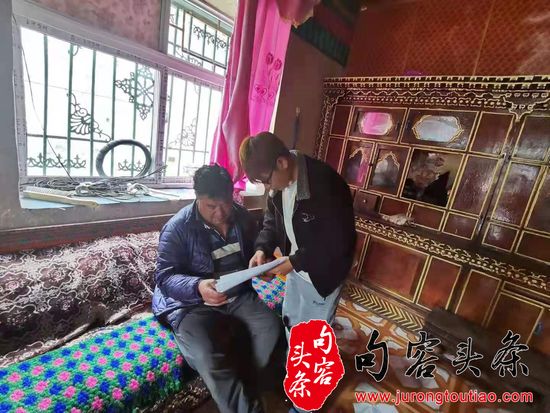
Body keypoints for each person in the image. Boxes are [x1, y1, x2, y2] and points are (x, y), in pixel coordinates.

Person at [152, 164, 281, 413]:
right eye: (211, 206)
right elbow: (164, 278)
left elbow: (256, 248)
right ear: (197, 198)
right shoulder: (177, 227)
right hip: (192, 304)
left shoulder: (242, 217)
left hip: (237, 295)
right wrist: (198, 286)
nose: (220, 213)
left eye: (226, 204)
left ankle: (247, 386)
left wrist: (260, 260)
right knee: (207, 356)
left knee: (269, 327)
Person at [239, 131, 356, 338]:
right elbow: (271, 222)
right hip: (296, 269)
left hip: (323, 275)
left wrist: (295, 261)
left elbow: (337, 242)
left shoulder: (326, 184)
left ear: (282, 162)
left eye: (267, 180)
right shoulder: (279, 187)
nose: (268, 187)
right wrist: (262, 249)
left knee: (312, 336)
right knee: (291, 321)